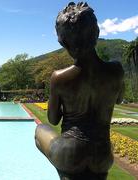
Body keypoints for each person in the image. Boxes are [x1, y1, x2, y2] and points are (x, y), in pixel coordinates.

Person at [35, 2, 124, 180]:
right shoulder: (116, 70)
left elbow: (53, 119)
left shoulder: (59, 77)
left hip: (71, 153)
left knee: (40, 130)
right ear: (96, 33)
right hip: (103, 155)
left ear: (64, 42)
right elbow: (119, 99)